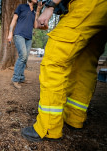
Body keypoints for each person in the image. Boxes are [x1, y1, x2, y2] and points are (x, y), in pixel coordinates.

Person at [21, 0, 107, 142]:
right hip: (101, 8)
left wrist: (50, 6)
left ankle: (49, 127)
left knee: (54, 62)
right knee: (84, 64)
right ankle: (75, 117)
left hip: (86, 5)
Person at [7, 0, 43, 89]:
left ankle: (21, 78)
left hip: (29, 37)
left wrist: (38, 11)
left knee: (25, 58)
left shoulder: (34, 11)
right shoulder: (21, 7)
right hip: (19, 34)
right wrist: (10, 33)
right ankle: (15, 79)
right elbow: (14, 20)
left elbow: (35, 25)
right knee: (22, 56)